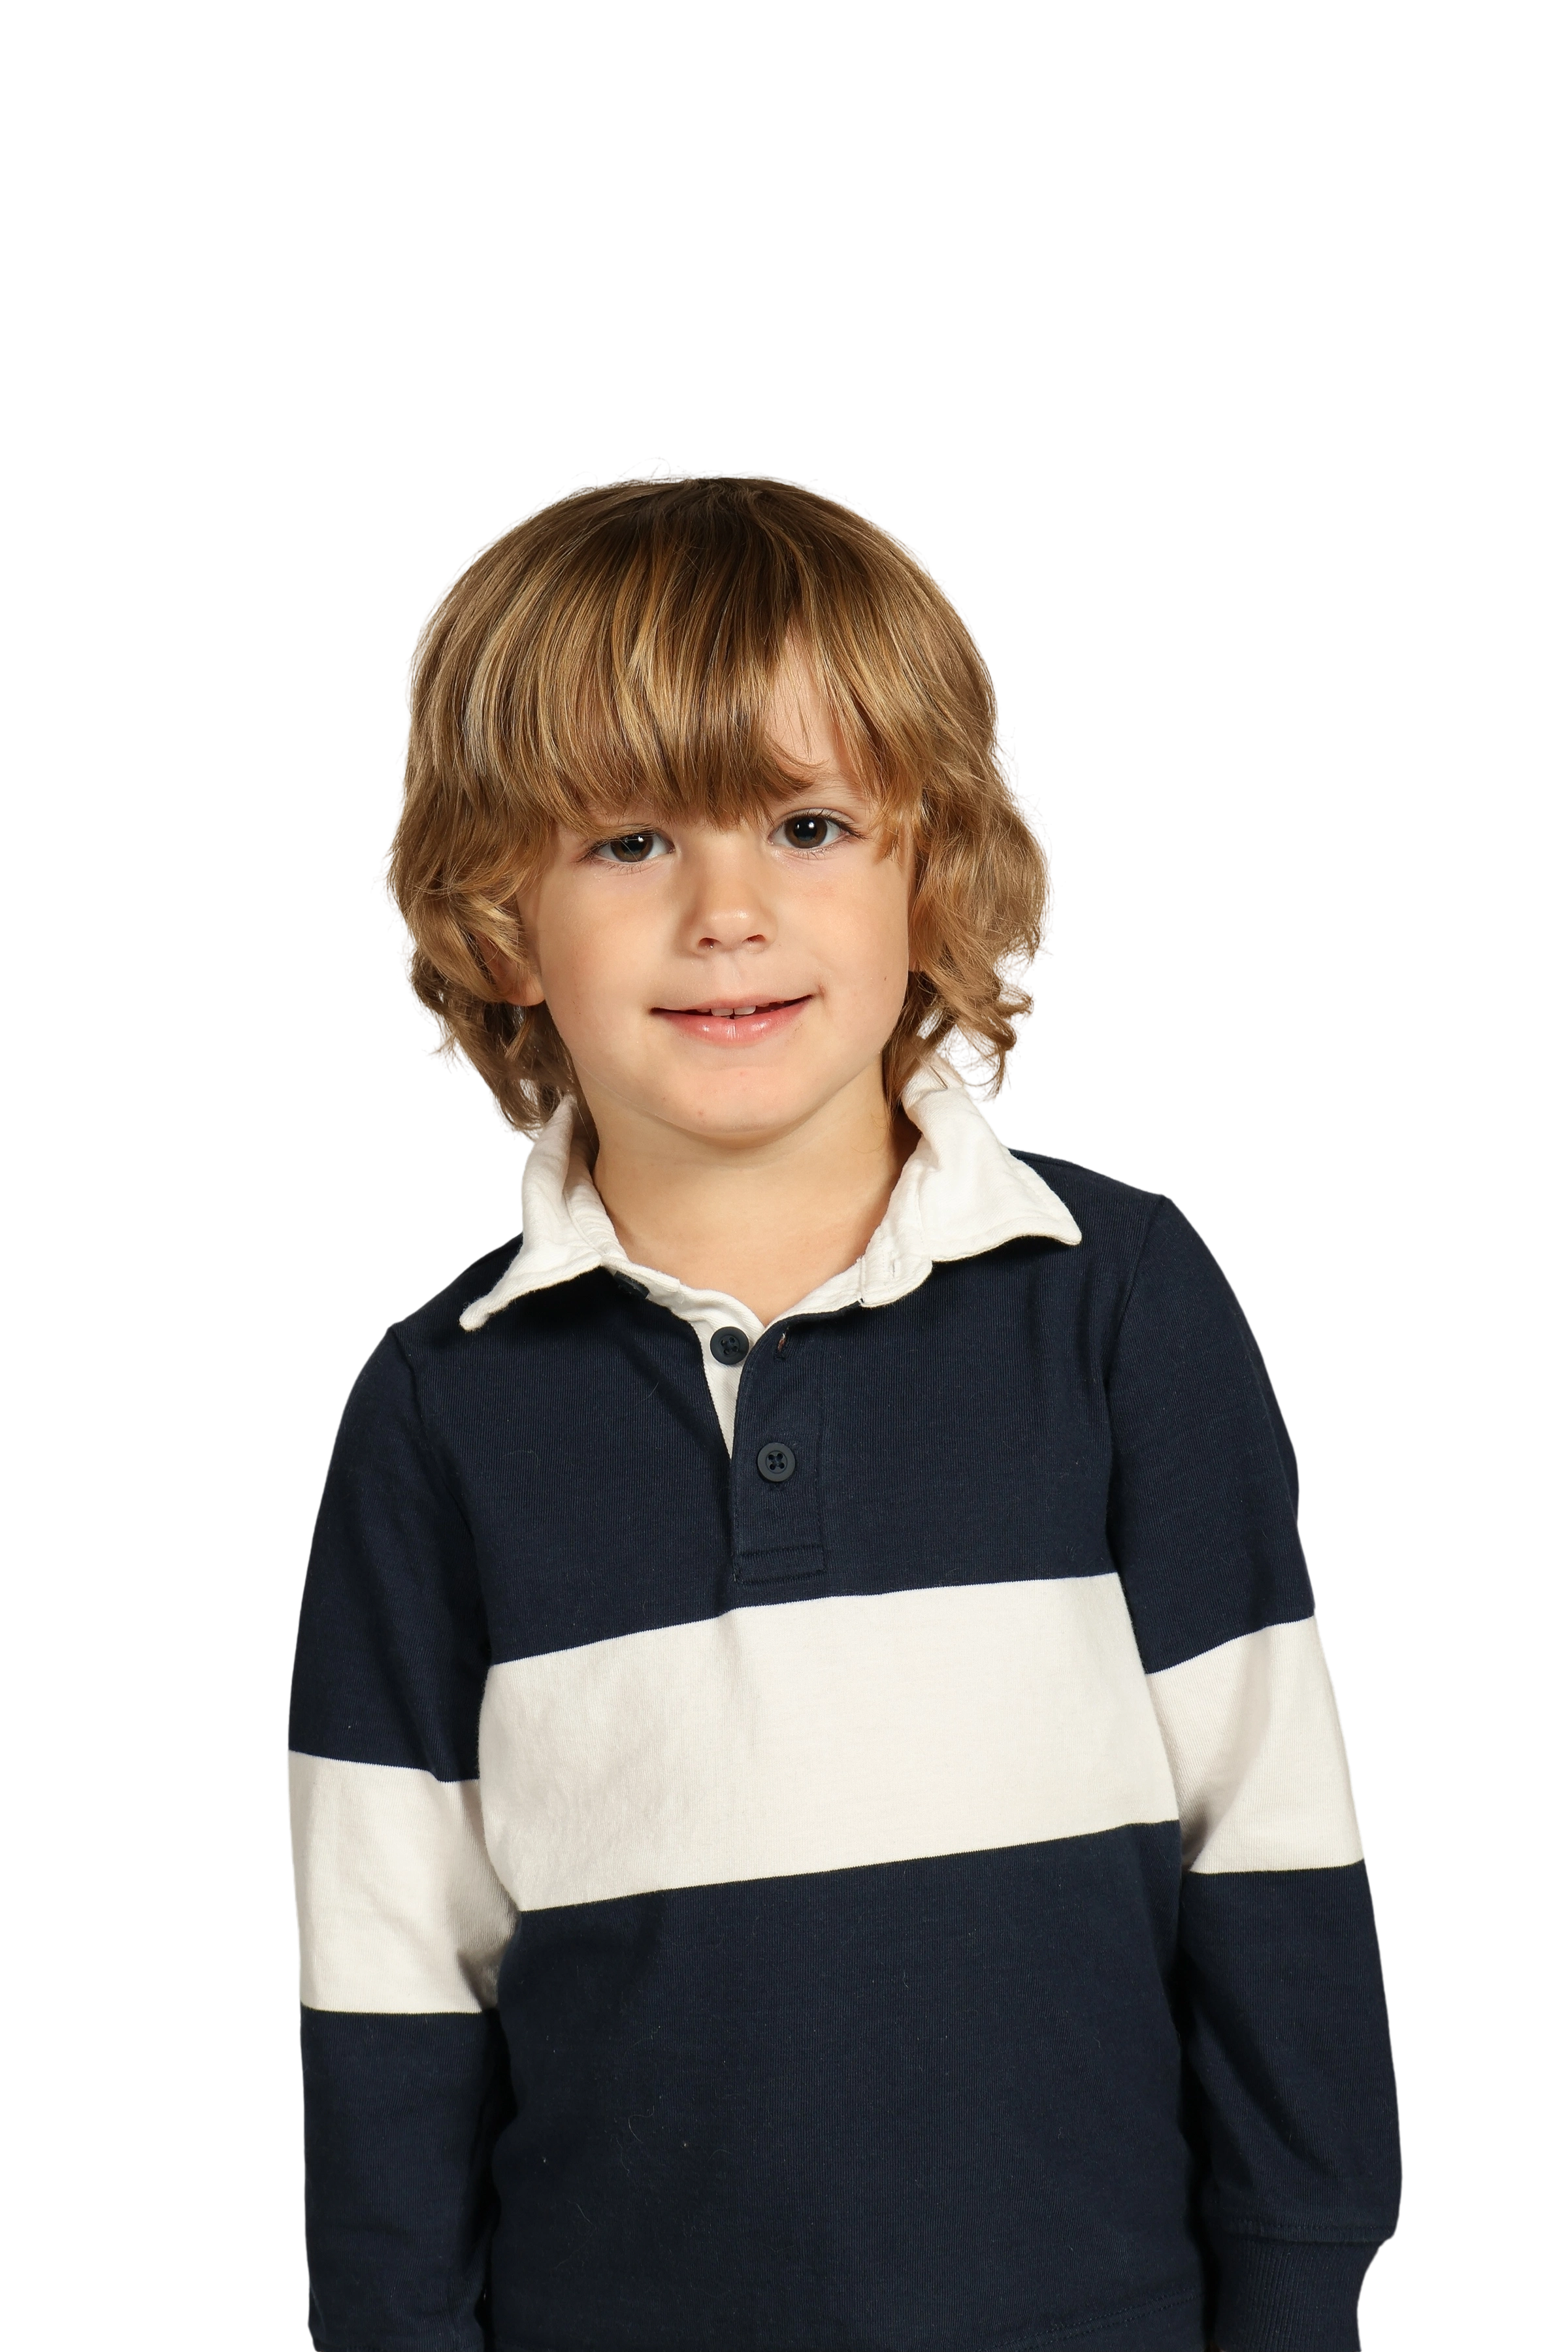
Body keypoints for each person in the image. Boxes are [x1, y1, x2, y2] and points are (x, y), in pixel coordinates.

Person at [285, 458, 1404, 2352]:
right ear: (498, 922)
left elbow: (1272, 1851)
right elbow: (392, 1973)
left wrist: (1298, 2297)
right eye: (629, 843)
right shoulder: (439, 1410)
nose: (727, 913)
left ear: (928, 871)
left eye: (807, 824)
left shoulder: (1117, 1304)